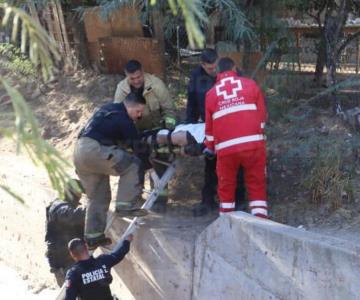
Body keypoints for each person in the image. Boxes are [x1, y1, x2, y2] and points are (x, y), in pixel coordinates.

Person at [74, 93, 147, 250]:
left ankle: (93, 237)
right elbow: (137, 146)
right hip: (93, 151)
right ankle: (125, 206)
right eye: (138, 112)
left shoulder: (108, 110)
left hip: (79, 152)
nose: (139, 116)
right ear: (131, 106)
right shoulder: (123, 117)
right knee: (132, 163)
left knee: (98, 196)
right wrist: (148, 164)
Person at [204, 57, 268, 218]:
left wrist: (210, 147)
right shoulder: (250, 85)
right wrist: (258, 136)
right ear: (235, 67)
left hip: (226, 150)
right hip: (253, 146)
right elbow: (262, 116)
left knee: (226, 186)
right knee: (256, 183)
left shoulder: (211, 94)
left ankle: (226, 221)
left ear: (217, 72)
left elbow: (209, 128)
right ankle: (261, 220)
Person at [186, 49, 245, 216]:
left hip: (230, 126)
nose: (214, 71)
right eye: (210, 68)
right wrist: (191, 127)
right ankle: (208, 201)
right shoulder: (196, 77)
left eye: (215, 67)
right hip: (209, 126)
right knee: (210, 164)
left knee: (235, 165)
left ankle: (239, 201)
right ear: (202, 65)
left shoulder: (233, 73)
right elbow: (192, 103)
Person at [114, 60, 177, 212]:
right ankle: (136, 197)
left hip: (157, 130)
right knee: (136, 164)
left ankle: (160, 202)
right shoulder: (121, 89)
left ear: (143, 71)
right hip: (134, 132)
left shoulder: (156, 84)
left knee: (160, 163)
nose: (136, 81)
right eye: (132, 78)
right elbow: (118, 115)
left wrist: (167, 130)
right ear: (126, 76)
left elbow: (169, 110)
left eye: (139, 77)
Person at [64, 234, 133, 300]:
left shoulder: (73, 274)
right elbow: (118, 254)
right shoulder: (103, 261)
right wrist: (127, 241)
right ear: (86, 246)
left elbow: (69, 298)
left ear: (72, 254)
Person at [45, 179, 85, 287]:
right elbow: (71, 216)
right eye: (78, 193)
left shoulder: (68, 207)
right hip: (63, 263)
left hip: (72, 259)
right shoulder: (58, 206)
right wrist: (94, 210)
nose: (80, 196)